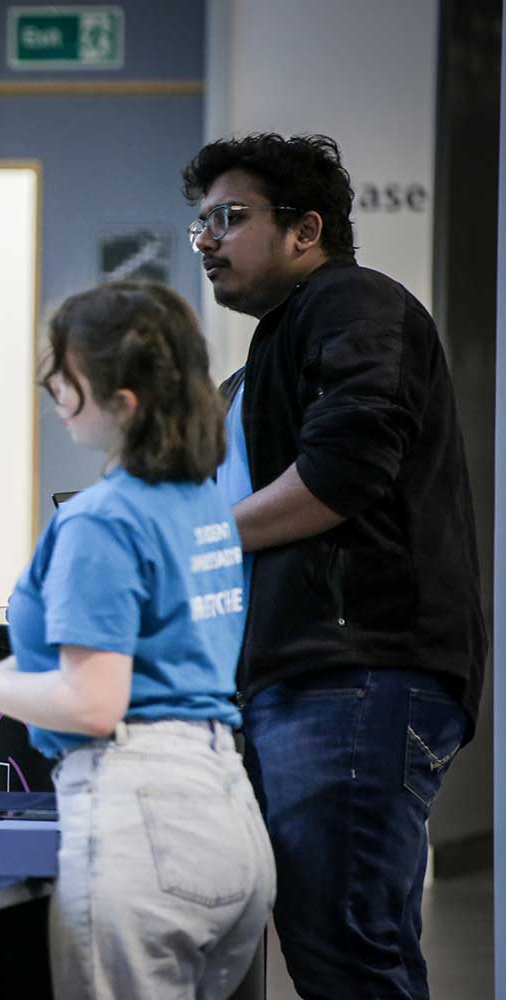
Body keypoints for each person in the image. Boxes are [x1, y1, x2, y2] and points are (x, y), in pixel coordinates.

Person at [0, 283, 275, 999]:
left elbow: (93, 702)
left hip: (143, 819)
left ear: (122, 404)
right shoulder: (208, 504)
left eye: (67, 380)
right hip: (230, 818)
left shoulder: (104, 520)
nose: (53, 392)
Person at [186, 133, 485, 998]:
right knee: (353, 948)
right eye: (200, 222)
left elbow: (343, 474)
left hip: (359, 673)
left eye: (230, 218)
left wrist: (191, 543)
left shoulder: (352, 302)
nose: (206, 239)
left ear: (305, 229)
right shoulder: (273, 349)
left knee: (343, 951)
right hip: (314, 675)